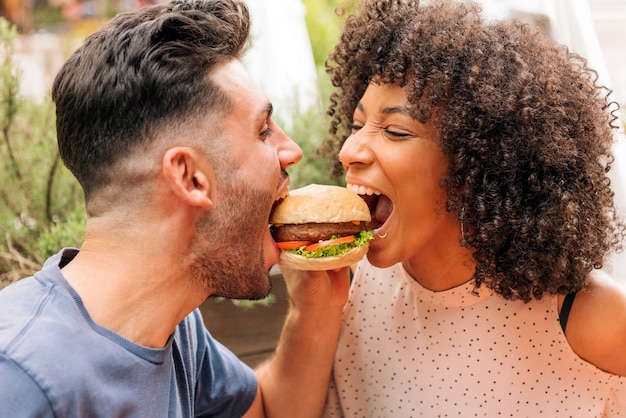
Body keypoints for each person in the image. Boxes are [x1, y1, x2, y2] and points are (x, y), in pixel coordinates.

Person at [0, 0, 350, 416]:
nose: (291, 151)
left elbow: (270, 411)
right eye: (263, 131)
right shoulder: (21, 382)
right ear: (189, 176)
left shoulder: (174, 330)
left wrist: (315, 308)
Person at [316, 0, 626, 416]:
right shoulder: (348, 284)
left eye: (394, 130)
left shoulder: (589, 315)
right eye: (356, 126)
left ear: (477, 164)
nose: (349, 150)